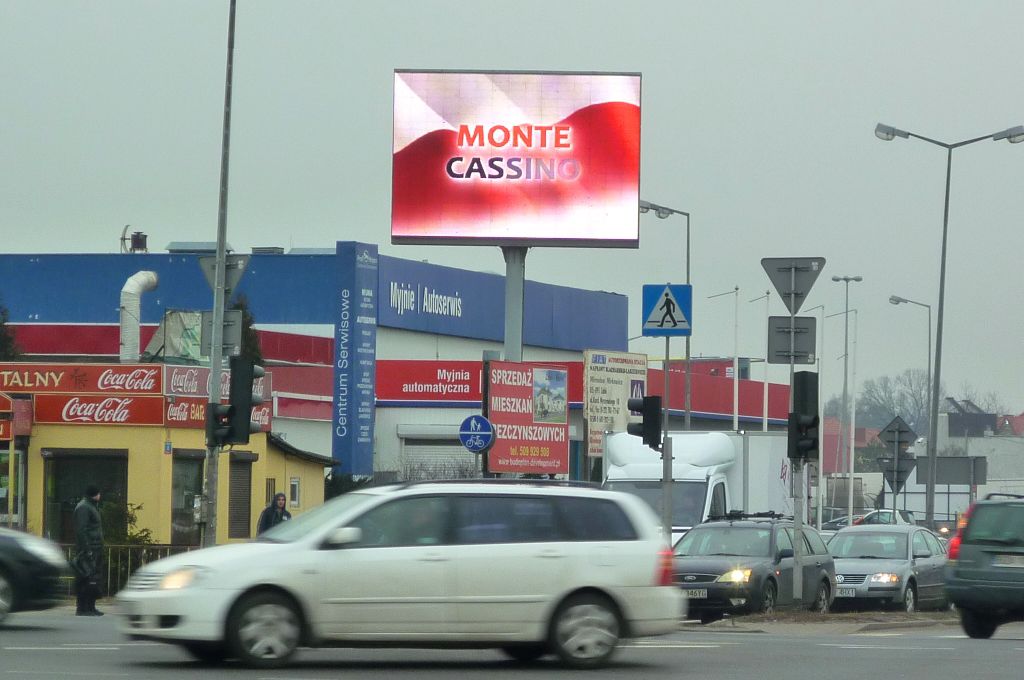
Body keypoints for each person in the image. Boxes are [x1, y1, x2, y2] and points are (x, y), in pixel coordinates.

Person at [72, 485, 104, 616]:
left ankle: (91, 606)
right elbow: (81, 530)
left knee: (93, 579)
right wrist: (87, 549)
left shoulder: (91, 506)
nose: (100, 496)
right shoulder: (84, 507)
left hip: (95, 547)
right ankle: (82, 607)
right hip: (88, 549)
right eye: (99, 493)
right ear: (95, 494)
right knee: (85, 578)